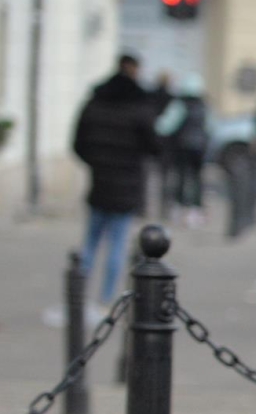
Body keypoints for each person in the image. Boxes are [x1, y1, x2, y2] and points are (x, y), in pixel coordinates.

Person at [71, 56, 168, 309]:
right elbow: (155, 146)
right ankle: (107, 298)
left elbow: (78, 143)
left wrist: (97, 162)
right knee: (118, 242)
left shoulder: (95, 102)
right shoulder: (139, 106)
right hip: (127, 182)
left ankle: (78, 297)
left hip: (100, 181)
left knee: (91, 241)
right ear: (135, 70)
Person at [162, 74, 211, 227]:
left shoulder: (180, 105)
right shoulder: (204, 106)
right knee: (196, 179)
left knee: (181, 177)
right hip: (200, 147)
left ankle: (179, 208)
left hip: (182, 145)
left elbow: (166, 125)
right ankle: (194, 211)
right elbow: (210, 127)